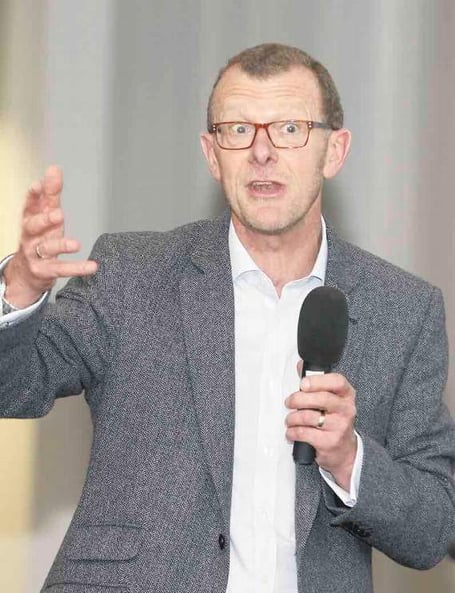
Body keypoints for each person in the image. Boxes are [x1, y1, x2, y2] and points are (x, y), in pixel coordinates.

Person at [0, 43, 454, 593]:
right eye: (238, 130)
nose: (261, 152)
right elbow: (12, 387)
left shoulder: (402, 309)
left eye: (289, 129)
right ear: (212, 155)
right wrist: (18, 290)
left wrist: (349, 457)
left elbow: (435, 528)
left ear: (334, 151)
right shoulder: (131, 273)